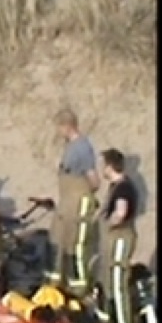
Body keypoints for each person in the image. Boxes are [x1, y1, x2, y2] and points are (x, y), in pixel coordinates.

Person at [50, 108, 100, 297]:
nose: (57, 132)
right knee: (59, 240)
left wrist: (86, 195)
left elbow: (93, 179)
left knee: (76, 246)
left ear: (66, 126)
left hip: (78, 202)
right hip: (67, 202)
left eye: (59, 127)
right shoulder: (71, 146)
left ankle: (79, 288)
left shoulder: (82, 147)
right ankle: (58, 285)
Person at [94, 148, 138, 323]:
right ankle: (107, 317)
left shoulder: (124, 188)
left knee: (117, 281)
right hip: (112, 239)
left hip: (119, 238)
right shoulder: (116, 186)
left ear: (110, 166)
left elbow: (120, 212)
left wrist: (110, 223)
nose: (102, 168)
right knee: (106, 278)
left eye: (104, 164)